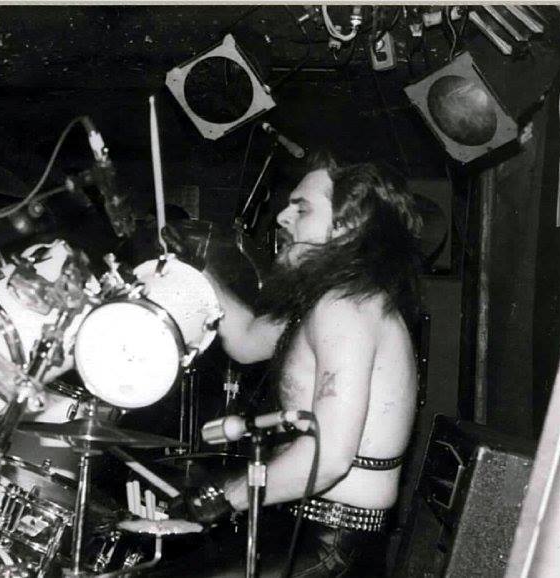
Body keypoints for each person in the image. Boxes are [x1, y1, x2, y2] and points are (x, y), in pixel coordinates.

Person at [156, 156, 423, 577]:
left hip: (332, 545)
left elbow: (328, 457)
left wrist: (219, 498)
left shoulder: (346, 308)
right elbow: (246, 341)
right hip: (304, 527)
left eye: (302, 209)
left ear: (346, 227)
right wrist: (197, 270)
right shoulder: (326, 300)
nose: (282, 217)